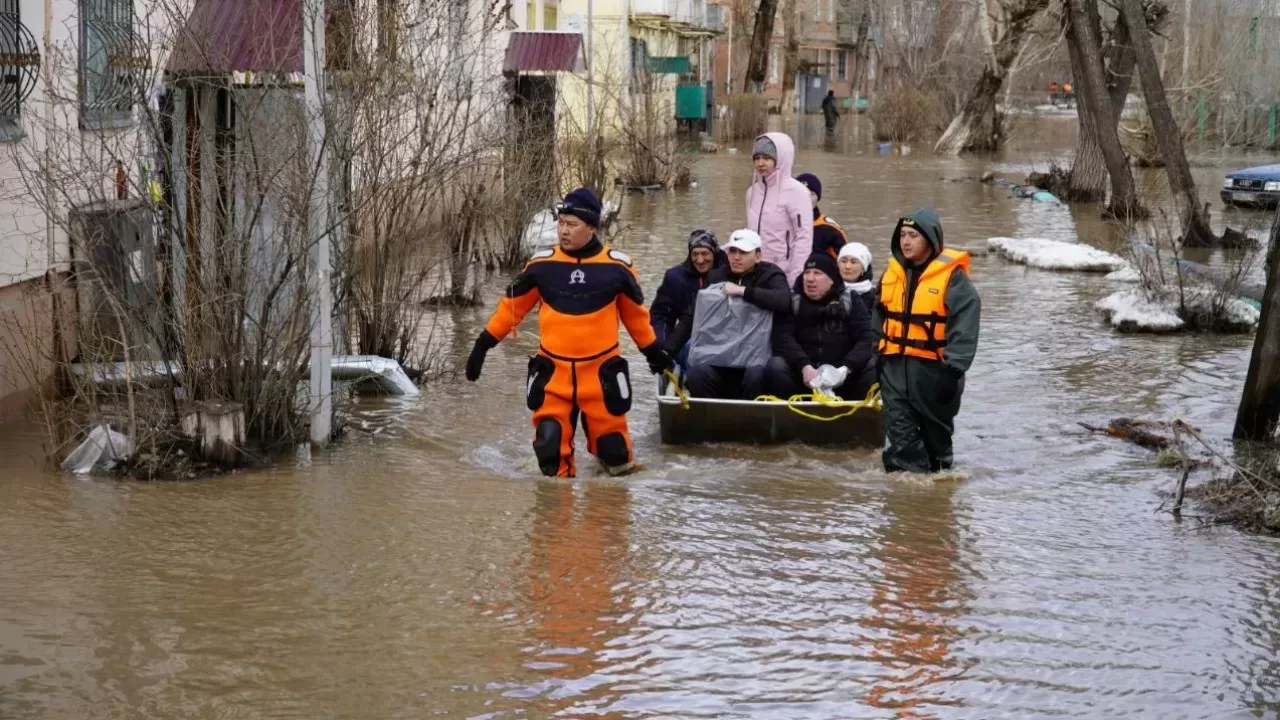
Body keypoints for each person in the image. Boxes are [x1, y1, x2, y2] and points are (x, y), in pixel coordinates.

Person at [465, 187, 672, 478]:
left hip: (600, 374)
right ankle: (555, 519)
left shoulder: (618, 268)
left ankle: (605, 513)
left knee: (616, 457)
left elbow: (635, 317)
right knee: (550, 453)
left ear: (591, 227)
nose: (563, 231)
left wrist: (653, 352)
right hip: (554, 373)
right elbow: (511, 309)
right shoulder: (541, 266)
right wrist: (483, 345)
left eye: (572, 224)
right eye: (560, 223)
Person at [873, 209, 980, 474]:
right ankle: (906, 499)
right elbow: (877, 315)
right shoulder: (892, 274)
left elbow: (965, 325)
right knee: (900, 435)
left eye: (913, 236)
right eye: (902, 235)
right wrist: (875, 354)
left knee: (937, 445)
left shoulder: (954, 279)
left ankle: (935, 493)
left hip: (936, 372)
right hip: (895, 368)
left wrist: (954, 368)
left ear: (930, 240)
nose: (905, 242)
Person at [665, 229, 791, 400]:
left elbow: (783, 300)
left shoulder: (771, 275)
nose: (736, 257)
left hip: (756, 359)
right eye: (733, 251)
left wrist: (743, 291)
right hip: (720, 358)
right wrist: (667, 351)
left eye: (743, 252)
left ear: (758, 256)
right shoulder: (716, 276)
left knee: (756, 374)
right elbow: (692, 316)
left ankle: (755, 418)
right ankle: (711, 417)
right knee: (696, 374)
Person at [766, 252, 876, 401]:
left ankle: (858, 411)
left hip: (843, 377)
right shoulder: (792, 301)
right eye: (807, 273)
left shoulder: (851, 300)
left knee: (875, 364)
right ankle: (789, 413)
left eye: (817, 273)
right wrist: (804, 365)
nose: (810, 278)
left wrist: (846, 369)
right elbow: (782, 338)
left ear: (831, 280)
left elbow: (865, 339)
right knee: (776, 366)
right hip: (802, 376)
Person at [649, 229, 726, 364]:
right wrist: (662, 346)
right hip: (685, 340)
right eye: (695, 254)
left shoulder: (729, 273)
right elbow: (661, 316)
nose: (700, 260)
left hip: (722, 339)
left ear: (714, 253)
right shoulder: (675, 278)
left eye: (705, 254)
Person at [746, 132, 813, 285]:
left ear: (781, 159)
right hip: (755, 272)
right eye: (757, 158)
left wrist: (795, 279)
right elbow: (749, 234)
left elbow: (803, 238)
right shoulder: (752, 192)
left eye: (767, 158)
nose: (760, 163)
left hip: (783, 273)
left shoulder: (797, 192)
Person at [795, 172, 846, 259]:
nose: (804, 198)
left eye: (810, 194)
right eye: (799, 193)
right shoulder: (779, 223)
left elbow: (845, 263)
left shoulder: (830, 230)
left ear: (818, 198)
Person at [838, 242, 875, 313]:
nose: (847, 266)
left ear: (863, 268)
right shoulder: (827, 292)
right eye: (844, 261)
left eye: (853, 262)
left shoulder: (874, 297)